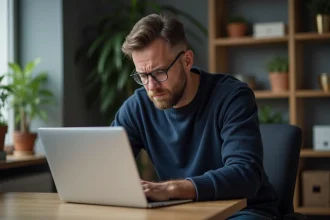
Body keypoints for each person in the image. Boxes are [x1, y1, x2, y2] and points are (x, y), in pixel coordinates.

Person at [111, 13, 280, 219]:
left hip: (243, 210)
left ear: (187, 60)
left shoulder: (231, 97)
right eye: (143, 76)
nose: (151, 86)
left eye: (159, 72)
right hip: (181, 212)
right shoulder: (138, 107)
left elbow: (245, 174)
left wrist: (171, 189)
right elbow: (107, 166)